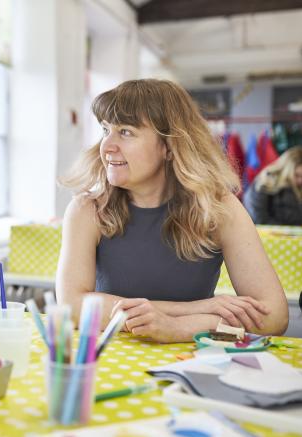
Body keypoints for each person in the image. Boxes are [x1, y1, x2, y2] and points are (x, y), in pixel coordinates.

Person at [56, 79, 288, 343]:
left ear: (169, 146)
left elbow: (275, 318)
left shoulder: (219, 209)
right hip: (108, 364)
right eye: (106, 130)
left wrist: (178, 328)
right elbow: (72, 306)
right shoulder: (87, 210)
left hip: (191, 366)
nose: (107, 146)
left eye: (126, 132)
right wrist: (193, 310)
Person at [243, 145, 302, 225]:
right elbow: (259, 219)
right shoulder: (265, 182)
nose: (300, 180)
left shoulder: (299, 187)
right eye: (296, 175)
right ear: (286, 170)